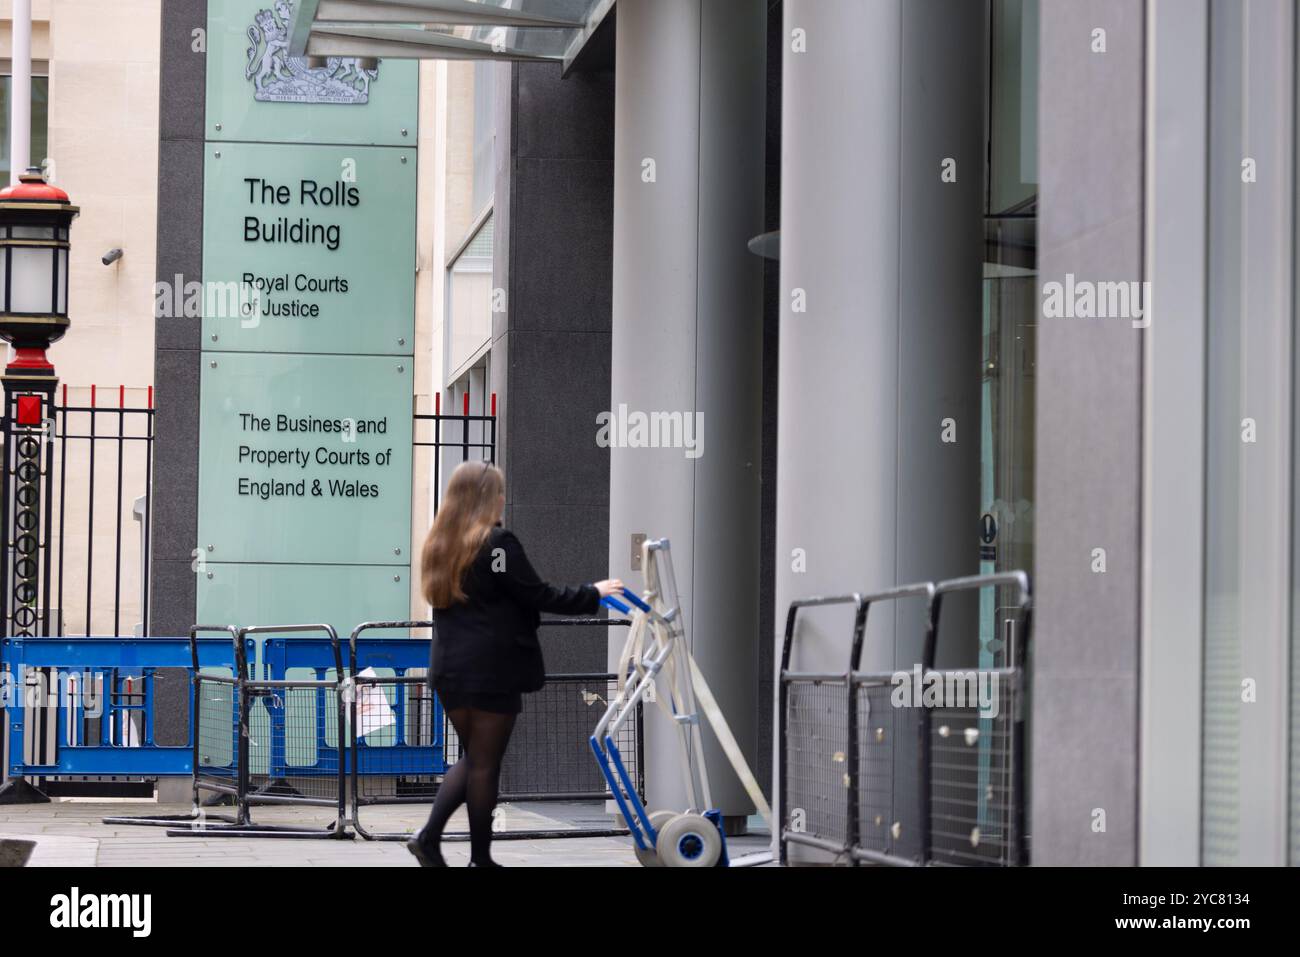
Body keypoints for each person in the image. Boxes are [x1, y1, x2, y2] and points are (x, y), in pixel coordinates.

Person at [407, 459, 623, 867]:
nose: (504, 497)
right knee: (485, 764)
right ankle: (477, 858)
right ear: (487, 499)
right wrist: (593, 593)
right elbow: (534, 593)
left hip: (450, 670)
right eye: (499, 492)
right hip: (491, 670)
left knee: (474, 758)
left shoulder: (440, 545)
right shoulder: (497, 546)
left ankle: (430, 839)